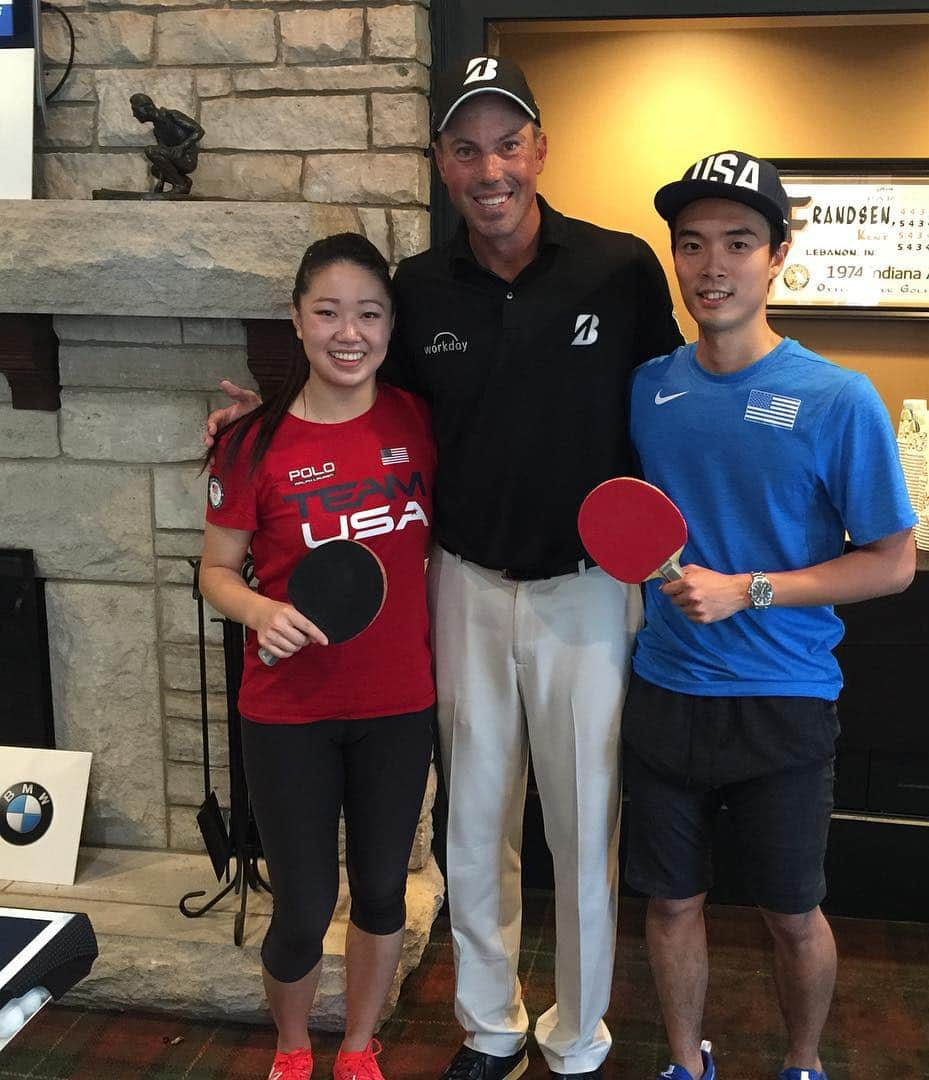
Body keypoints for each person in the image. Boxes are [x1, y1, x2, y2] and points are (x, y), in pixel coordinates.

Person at [206, 56, 682, 1080]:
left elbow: (669, 402)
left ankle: (579, 1030)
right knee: (474, 817)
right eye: (466, 148)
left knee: (585, 818)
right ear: (441, 164)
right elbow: (358, 390)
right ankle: (491, 1021)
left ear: (541, 152)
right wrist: (260, 424)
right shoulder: (416, 288)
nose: (489, 166)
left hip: (590, 590)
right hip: (460, 583)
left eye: (507, 143)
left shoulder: (620, 268)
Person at [622, 151, 917, 1080]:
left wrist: (747, 588)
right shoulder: (648, 389)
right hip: (666, 692)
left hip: (783, 701)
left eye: (739, 243)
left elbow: (893, 563)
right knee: (671, 904)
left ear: (778, 256)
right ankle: (684, 1064)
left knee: (791, 913)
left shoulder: (839, 399)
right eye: (693, 244)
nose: (713, 265)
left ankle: (801, 1063)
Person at [198, 233, 436, 1080]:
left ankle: (360, 1049)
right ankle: (294, 1051)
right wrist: (261, 609)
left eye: (368, 313)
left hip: (400, 704)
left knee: (380, 891)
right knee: (302, 907)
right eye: (328, 311)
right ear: (296, 322)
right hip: (287, 711)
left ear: (389, 325)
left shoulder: (418, 420)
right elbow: (215, 572)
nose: (349, 331)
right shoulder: (250, 444)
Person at [129, 93, 203, 194]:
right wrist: (161, 182)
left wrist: (182, 148)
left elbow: (199, 131)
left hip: (187, 159)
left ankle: (180, 185)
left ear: (146, 108)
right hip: (176, 158)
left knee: (150, 150)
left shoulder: (172, 115)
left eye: (135, 110)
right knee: (155, 169)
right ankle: (184, 181)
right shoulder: (157, 131)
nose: (134, 114)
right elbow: (163, 156)